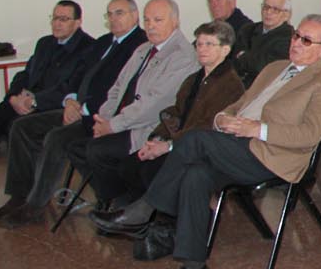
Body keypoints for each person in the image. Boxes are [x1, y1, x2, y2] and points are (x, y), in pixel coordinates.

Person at [93, 15, 321, 269]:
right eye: (296, 35)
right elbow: (238, 105)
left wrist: (257, 129)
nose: (296, 42)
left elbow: (309, 134)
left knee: (194, 140)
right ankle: (194, 265)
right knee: (195, 175)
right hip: (235, 144)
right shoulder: (274, 68)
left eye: (306, 40)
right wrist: (222, 118)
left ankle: (143, 210)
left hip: (272, 156)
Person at [0, 0, 146, 223]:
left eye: (119, 13)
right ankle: (19, 196)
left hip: (102, 116)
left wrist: (85, 108)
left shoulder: (140, 45)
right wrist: (71, 100)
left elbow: (120, 89)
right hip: (78, 108)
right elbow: (81, 76)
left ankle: (35, 207)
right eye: (109, 14)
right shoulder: (104, 42)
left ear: (135, 15)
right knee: (22, 126)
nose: (113, 19)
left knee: (57, 138)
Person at [85, 21, 245, 209]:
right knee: (130, 165)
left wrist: (168, 146)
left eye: (209, 44)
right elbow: (174, 112)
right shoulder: (194, 78)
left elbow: (207, 126)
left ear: (225, 50)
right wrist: (157, 138)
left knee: (149, 170)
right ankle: (137, 214)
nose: (202, 49)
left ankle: (155, 218)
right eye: (199, 44)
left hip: (199, 150)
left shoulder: (230, 85)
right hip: (179, 141)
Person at [0, 0, 94, 154]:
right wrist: (13, 96)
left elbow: (71, 87)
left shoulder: (88, 48)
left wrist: (34, 101)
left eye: (63, 19)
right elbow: (24, 74)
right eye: (54, 18)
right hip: (25, 100)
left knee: (16, 125)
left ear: (77, 23)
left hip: (49, 106)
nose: (57, 24)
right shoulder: (45, 43)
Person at [232, 0, 294, 84]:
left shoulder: (290, 37)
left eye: (275, 9)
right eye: (266, 7)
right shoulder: (247, 29)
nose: (268, 12)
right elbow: (233, 62)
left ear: (286, 15)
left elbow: (265, 68)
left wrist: (243, 57)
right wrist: (251, 59)